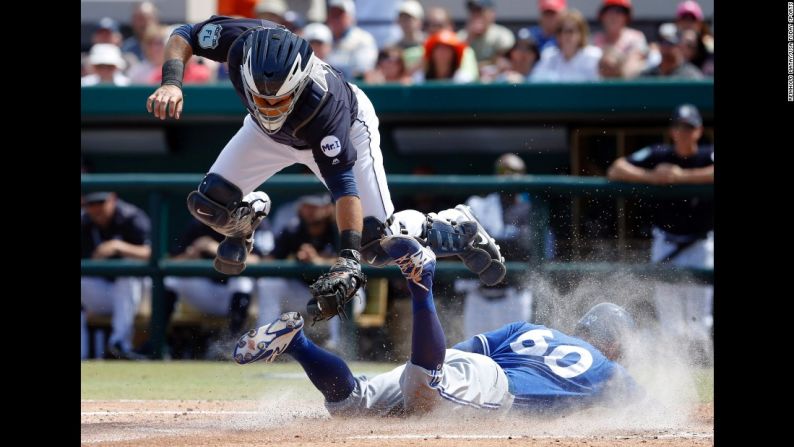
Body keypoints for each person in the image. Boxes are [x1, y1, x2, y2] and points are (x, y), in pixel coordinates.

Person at [145, 15, 505, 325]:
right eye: (263, 96)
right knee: (209, 205)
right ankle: (247, 218)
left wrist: (347, 258)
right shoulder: (241, 43)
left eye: (280, 97)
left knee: (376, 246)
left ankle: (455, 228)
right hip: (264, 135)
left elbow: (344, 189)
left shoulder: (324, 102)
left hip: (342, 128)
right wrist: (172, 83)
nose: (271, 105)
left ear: (299, 81)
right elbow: (185, 34)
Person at [233, 235, 642, 416]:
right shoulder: (609, 371)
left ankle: (298, 342)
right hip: (497, 392)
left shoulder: (527, 329)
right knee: (427, 390)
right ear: (612, 342)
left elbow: (461, 353)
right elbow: (648, 410)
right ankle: (422, 283)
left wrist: (420, 371)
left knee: (352, 403)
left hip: (473, 370)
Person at [607, 104, 713, 363]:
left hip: (700, 243)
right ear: (672, 131)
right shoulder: (659, 153)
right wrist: (652, 176)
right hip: (666, 242)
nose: (684, 132)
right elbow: (616, 168)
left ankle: (701, 369)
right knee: (671, 319)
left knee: (699, 319)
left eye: (690, 127)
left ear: (699, 130)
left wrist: (681, 177)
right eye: (679, 127)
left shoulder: (708, 154)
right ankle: (676, 370)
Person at [81, 192, 151, 359]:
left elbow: (153, 253)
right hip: (103, 293)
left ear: (112, 200)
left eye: (100, 202)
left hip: (139, 295)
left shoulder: (131, 217)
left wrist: (118, 246)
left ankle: (119, 346)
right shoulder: (85, 222)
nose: (96, 208)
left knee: (127, 274)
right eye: (91, 204)